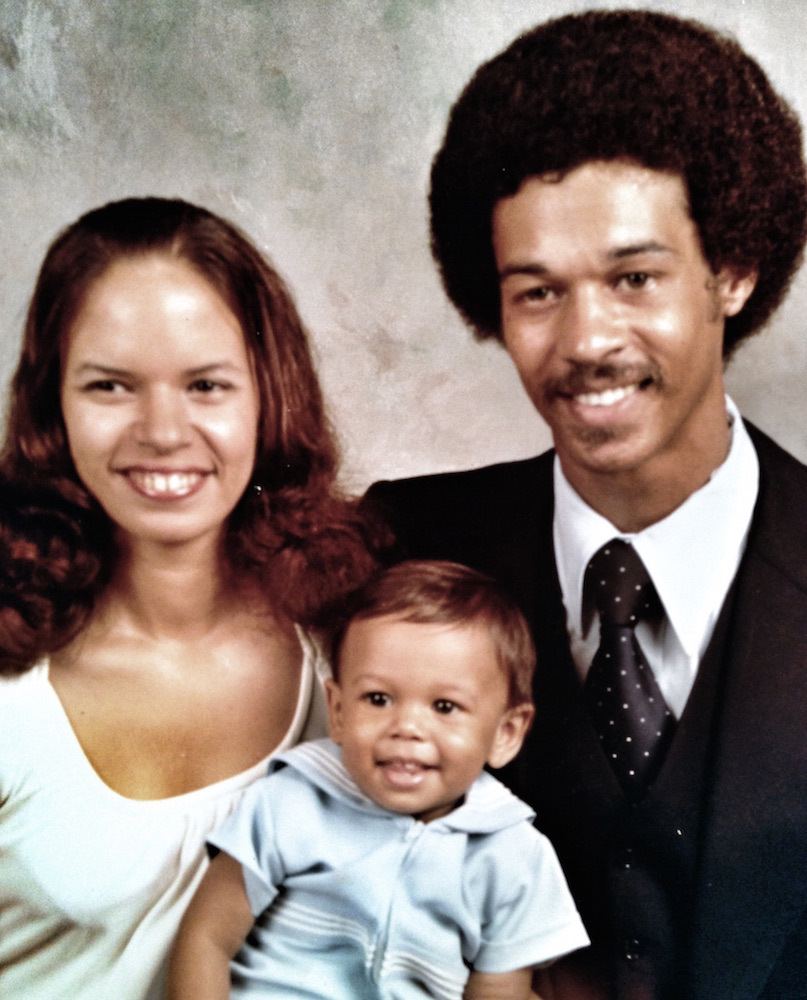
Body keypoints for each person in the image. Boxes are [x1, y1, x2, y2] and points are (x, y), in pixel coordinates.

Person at [364, 10, 807, 1000]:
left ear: (731, 269)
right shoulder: (398, 546)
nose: (586, 339)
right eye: (538, 293)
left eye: (634, 277)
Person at [0, 197, 381, 1000]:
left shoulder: (343, 645)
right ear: (52, 405)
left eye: (206, 385)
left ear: (266, 396)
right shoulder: (12, 679)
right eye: (110, 386)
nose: (163, 431)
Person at [166, 560, 589, 1000]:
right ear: (338, 711)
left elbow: (498, 992)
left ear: (506, 733)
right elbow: (207, 939)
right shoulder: (291, 803)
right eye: (378, 699)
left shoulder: (514, 857)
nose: (406, 727)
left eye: (444, 706)